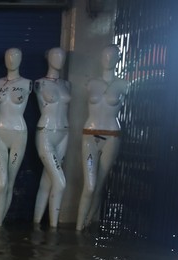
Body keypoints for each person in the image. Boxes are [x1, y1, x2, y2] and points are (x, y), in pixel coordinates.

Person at [76, 44, 128, 231]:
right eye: (106, 55)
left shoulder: (124, 84)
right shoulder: (91, 83)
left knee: (99, 185)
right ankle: (78, 228)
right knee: (89, 185)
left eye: (113, 56)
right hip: (90, 135)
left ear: (118, 58)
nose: (109, 59)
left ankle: (89, 224)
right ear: (101, 58)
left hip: (112, 136)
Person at [0, 48, 32, 226]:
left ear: (22, 59)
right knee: (1, 183)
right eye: (8, 56)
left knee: (10, 181)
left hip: (19, 134)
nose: (11, 59)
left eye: (15, 56)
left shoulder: (27, 83)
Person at [33, 47, 71, 228]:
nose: (60, 60)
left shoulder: (66, 84)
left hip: (64, 133)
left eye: (63, 56)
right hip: (45, 132)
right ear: (48, 58)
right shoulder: (39, 84)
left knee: (46, 181)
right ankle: (53, 228)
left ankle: (36, 224)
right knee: (60, 182)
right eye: (56, 56)